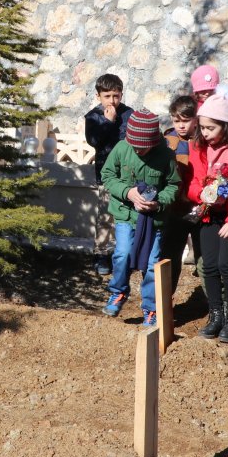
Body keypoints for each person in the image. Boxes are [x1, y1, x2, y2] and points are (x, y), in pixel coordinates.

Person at [100, 110, 180, 326]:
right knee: (121, 255)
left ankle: (151, 309)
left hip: (154, 220)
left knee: (153, 264)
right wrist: (128, 192)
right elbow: (107, 175)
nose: (138, 150)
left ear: (153, 142)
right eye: (134, 146)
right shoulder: (121, 148)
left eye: (142, 147)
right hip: (126, 214)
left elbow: (173, 185)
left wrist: (159, 201)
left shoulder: (165, 155)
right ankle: (118, 293)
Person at [187, 93, 228, 343]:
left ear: (225, 125)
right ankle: (215, 314)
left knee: (227, 264)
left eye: (210, 128)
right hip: (208, 214)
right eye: (202, 127)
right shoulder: (199, 146)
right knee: (210, 266)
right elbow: (193, 182)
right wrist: (201, 194)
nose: (204, 133)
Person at [85, 73, 134, 276]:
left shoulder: (129, 114)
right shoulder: (93, 117)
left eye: (116, 96)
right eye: (107, 96)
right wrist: (107, 121)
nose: (112, 101)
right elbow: (94, 141)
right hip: (107, 175)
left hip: (129, 175)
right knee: (105, 216)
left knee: (129, 216)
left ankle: (128, 255)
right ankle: (101, 254)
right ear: (99, 96)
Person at [160, 95, 202, 295]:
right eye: (177, 121)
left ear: (196, 119)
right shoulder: (167, 140)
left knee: (205, 263)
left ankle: (214, 308)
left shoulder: (205, 140)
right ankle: (163, 307)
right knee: (169, 258)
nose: (181, 126)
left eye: (186, 120)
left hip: (201, 209)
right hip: (175, 210)